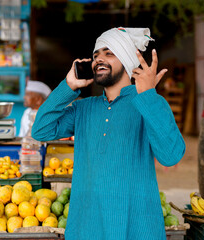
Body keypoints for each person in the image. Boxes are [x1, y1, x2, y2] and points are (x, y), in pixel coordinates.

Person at [31, 27, 186, 239]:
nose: (98, 59)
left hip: (137, 227)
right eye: (96, 55)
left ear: (126, 59)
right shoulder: (83, 108)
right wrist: (68, 86)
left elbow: (171, 156)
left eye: (109, 53)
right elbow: (41, 129)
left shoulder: (149, 103)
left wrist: (148, 95)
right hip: (87, 226)